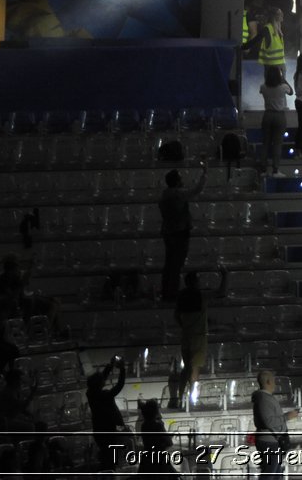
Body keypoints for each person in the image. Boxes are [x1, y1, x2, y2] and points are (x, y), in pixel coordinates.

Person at [158, 161, 208, 302]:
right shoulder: (178, 194)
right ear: (176, 181)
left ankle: (165, 291)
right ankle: (171, 294)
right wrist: (204, 173)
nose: (182, 181)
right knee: (176, 266)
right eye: (180, 178)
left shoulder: (164, 195)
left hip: (168, 233)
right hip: (180, 233)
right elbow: (197, 190)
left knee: (169, 265)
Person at [173, 271, 209, 409]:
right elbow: (221, 292)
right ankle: (192, 400)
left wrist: (184, 326)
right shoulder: (202, 295)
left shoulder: (181, 296)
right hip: (199, 337)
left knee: (186, 368)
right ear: (196, 282)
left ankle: (181, 397)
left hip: (186, 335)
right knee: (194, 369)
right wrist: (225, 275)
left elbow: (175, 315)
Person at [252, 369, 298, 478]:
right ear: (268, 382)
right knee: (269, 474)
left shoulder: (265, 398)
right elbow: (269, 421)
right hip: (269, 442)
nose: (275, 384)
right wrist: (287, 416)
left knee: (276, 474)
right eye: (273, 381)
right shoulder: (264, 399)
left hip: (272, 441)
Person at [86, 357, 129, 470]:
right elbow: (119, 385)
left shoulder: (90, 394)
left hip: (98, 430)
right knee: (110, 458)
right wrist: (122, 369)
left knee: (106, 455)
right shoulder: (105, 396)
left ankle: (106, 471)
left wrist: (110, 366)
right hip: (108, 431)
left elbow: (101, 379)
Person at [258, 66, 293, 175]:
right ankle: (275, 170)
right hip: (279, 116)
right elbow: (291, 92)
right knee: (277, 144)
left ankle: (263, 170)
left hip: (267, 115)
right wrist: (283, 79)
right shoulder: (283, 87)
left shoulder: (263, 87)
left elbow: (261, 91)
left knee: (266, 143)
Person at [136, 399, 177, 474]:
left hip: (147, 459)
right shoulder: (158, 425)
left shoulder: (144, 425)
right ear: (156, 412)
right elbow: (169, 443)